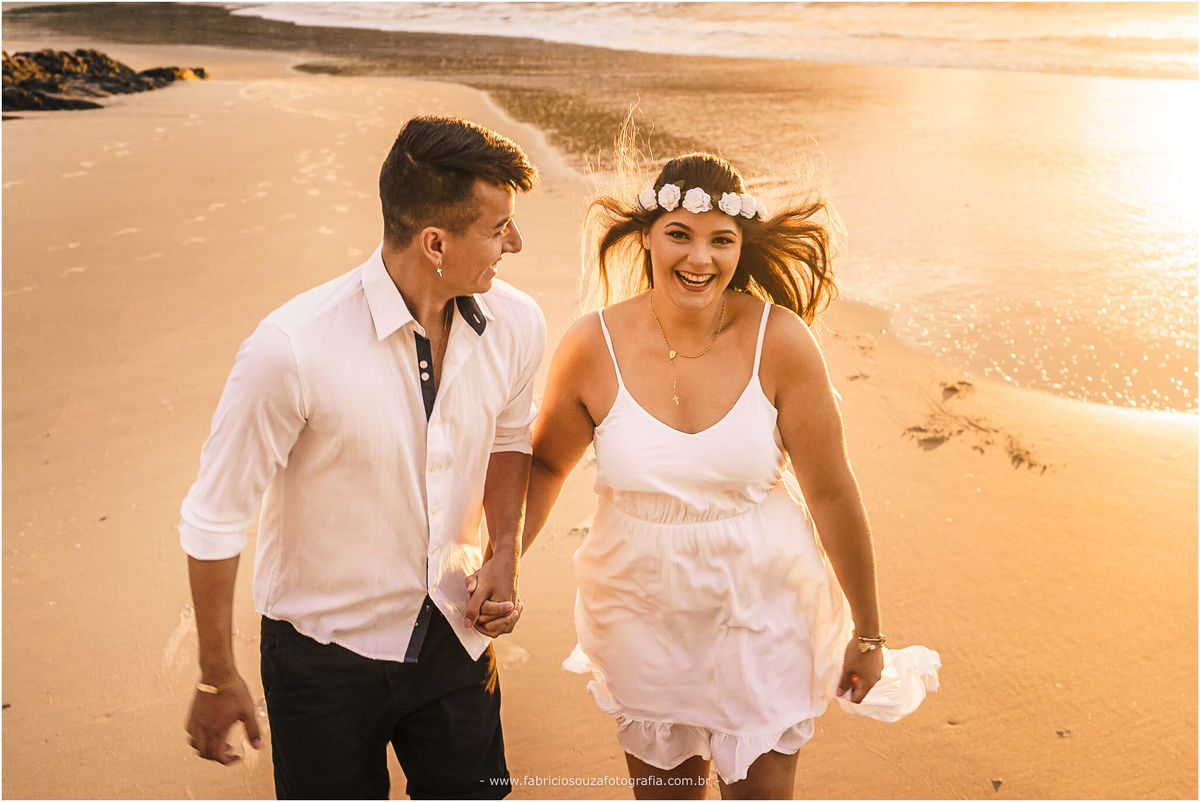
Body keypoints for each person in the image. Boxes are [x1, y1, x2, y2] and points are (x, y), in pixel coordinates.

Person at [508, 147, 936, 799]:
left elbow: (831, 492)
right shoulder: (591, 347)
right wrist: (501, 562)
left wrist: (867, 631)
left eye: (721, 241)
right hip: (641, 610)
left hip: (765, 606)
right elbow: (542, 466)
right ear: (646, 236)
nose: (699, 258)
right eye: (679, 235)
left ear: (741, 247)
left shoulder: (782, 341)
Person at [179, 115, 545, 799]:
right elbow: (213, 517)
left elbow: (509, 437)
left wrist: (503, 554)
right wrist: (214, 671)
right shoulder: (291, 348)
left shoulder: (517, 323)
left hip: (454, 638)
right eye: (499, 229)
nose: (514, 244)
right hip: (320, 660)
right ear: (435, 242)